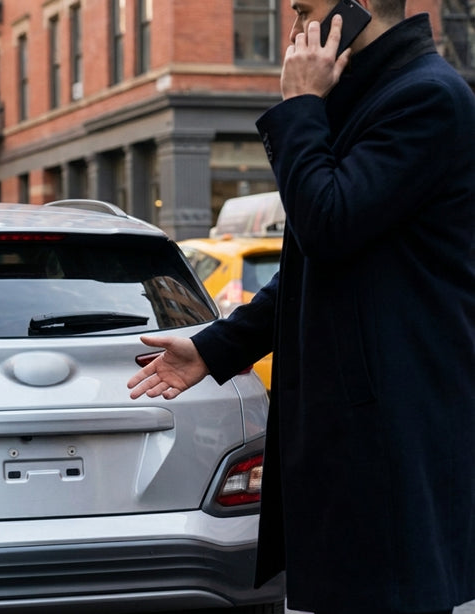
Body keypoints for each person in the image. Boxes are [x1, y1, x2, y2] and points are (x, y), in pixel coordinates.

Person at [127, 2, 475, 613]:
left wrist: (299, 106)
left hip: (399, 424)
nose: (294, 27)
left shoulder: (426, 97)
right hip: (364, 425)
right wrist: (215, 347)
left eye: (306, 10)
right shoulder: (368, 97)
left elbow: (327, 224)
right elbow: (318, 266)